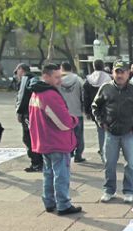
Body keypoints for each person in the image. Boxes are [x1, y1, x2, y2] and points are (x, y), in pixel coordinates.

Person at [29, 63, 82, 215]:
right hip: (56, 140)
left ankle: (49, 201)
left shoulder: (35, 92)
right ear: (46, 76)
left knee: (48, 173)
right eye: (56, 77)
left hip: (44, 140)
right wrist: (74, 120)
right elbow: (64, 122)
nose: (60, 80)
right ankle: (63, 204)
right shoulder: (49, 94)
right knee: (61, 174)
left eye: (60, 76)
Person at [92, 59, 133, 203]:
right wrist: (102, 123)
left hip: (129, 134)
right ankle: (109, 190)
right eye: (117, 72)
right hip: (110, 133)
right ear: (112, 72)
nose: (119, 75)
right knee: (109, 164)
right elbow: (95, 107)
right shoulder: (105, 88)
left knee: (131, 164)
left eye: (123, 72)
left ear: (128, 73)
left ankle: (129, 191)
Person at [14, 62, 43, 172]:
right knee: (34, 137)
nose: (17, 75)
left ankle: (36, 162)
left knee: (28, 138)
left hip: (27, 113)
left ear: (21, 69)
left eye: (17, 72)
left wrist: (19, 112)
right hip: (34, 111)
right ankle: (39, 161)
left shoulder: (25, 79)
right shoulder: (35, 78)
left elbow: (21, 97)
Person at [83, 59, 112, 161]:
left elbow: (85, 97)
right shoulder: (109, 79)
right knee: (109, 131)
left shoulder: (88, 80)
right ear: (103, 66)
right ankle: (109, 152)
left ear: (93, 66)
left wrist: (87, 111)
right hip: (108, 108)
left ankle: (103, 152)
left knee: (100, 130)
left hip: (94, 108)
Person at [59, 61, 85, 163]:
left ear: (62, 68)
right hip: (77, 111)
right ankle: (78, 155)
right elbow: (84, 94)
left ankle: (68, 153)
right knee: (79, 135)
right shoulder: (78, 79)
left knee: (66, 135)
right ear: (71, 68)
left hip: (63, 113)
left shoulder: (58, 80)